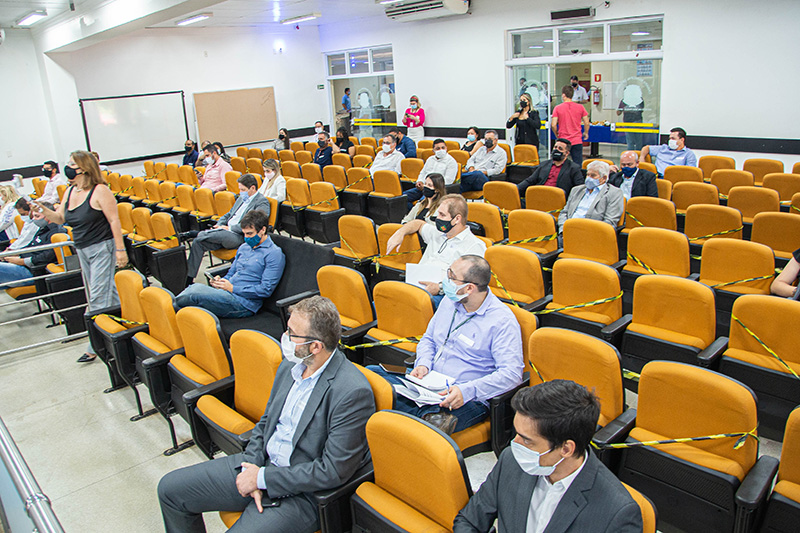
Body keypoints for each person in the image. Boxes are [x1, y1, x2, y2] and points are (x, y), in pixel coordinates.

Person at [158, 295, 375, 533]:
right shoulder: (289, 367)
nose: (286, 338)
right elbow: (266, 423)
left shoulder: (352, 392)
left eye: (292, 334)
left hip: (301, 494)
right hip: (260, 464)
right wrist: (251, 466)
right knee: (170, 490)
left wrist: (263, 479)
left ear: (316, 346)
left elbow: (331, 470)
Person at [453, 380, 643, 532]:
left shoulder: (618, 512)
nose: (514, 444)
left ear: (566, 449)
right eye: (516, 433)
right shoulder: (511, 460)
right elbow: (469, 521)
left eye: (527, 441)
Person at [370, 255, 523, 434]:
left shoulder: (502, 321)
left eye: (451, 277)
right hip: (428, 383)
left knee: (431, 421)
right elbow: (428, 339)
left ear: (469, 288)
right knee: (372, 376)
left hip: (466, 396)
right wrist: (423, 363)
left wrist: (467, 391)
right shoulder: (450, 301)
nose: (446, 281)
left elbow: (511, 374)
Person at [34, 150, 127, 363]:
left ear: (84, 168)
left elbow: (114, 221)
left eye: (71, 164)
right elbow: (60, 217)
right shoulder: (70, 191)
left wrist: (121, 251)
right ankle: (124, 326)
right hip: (82, 248)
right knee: (107, 293)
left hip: (102, 247)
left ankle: (94, 345)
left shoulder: (100, 190)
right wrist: (43, 210)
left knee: (97, 296)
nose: (67, 168)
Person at [175, 210, 285, 319]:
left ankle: (168, 310)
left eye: (250, 233)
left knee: (194, 292)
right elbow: (231, 273)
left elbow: (265, 290)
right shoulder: (244, 247)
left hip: (244, 304)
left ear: (263, 230)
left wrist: (233, 288)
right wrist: (221, 281)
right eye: (244, 233)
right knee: (191, 302)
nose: (246, 237)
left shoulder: (273, 254)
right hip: (227, 293)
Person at [386, 194, 485, 302]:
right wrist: (400, 233)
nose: (437, 218)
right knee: (383, 297)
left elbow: (469, 284)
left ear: (457, 219)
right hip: (415, 285)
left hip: (442, 296)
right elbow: (418, 223)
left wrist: (439, 288)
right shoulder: (438, 233)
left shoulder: (474, 246)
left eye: (442, 215)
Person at [183, 174, 272, 284]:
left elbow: (255, 224)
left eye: (243, 189)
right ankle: (188, 279)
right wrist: (220, 224)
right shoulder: (241, 199)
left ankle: (195, 233)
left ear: (252, 188)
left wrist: (229, 227)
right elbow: (228, 214)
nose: (240, 192)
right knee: (198, 242)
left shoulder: (262, 202)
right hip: (224, 232)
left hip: (239, 235)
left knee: (219, 234)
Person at [0, 201, 65, 288]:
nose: (34, 219)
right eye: (33, 216)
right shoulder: (42, 229)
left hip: (33, 272)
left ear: (49, 216)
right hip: (22, 264)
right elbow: (31, 247)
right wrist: (16, 255)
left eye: (37, 216)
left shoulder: (56, 232)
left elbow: (48, 256)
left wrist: (22, 261)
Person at [558, 160, 625, 235]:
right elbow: (564, 212)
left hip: (592, 234)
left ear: (604, 178)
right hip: (568, 232)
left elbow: (610, 221)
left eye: (593, 175)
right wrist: (563, 229)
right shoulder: (576, 190)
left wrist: (588, 234)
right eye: (587, 175)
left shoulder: (614, 193)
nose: (588, 178)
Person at [517, 138, 584, 203]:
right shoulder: (544, 164)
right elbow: (530, 181)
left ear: (566, 153)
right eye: (555, 147)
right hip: (539, 197)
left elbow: (580, 189)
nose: (556, 150)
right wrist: (515, 189)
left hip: (557, 201)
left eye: (560, 149)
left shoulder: (574, 168)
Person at [403, 138, 458, 209]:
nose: (441, 150)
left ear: (446, 148)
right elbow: (423, 173)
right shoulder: (430, 159)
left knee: (421, 203)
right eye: (438, 148)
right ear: (433, 150)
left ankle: (418, 216)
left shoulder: (451, 162)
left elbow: (448, 181)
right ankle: (410, 214)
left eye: (443, 148)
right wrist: (420, 182)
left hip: (436, 191)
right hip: (423, 187)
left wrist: (429, 186)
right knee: (402, 198)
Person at [551, 85, 589, 167]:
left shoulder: (557, 108)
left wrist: (556, 134)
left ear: (563, 95)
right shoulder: (580, 107)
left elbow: (553, 124)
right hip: (576, 140)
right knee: (577, 164)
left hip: (563, 140)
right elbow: (586, 122)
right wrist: (586, 132)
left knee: (560, 163)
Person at [617, 84, 646, 150]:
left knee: (630, 141)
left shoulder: (624, 100)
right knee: (638, 141)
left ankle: (631, 156)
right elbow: (641, 110)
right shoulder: (640, 100)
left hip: (628, 122)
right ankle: (638, 155)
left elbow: (618, 113)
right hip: (637, 121)